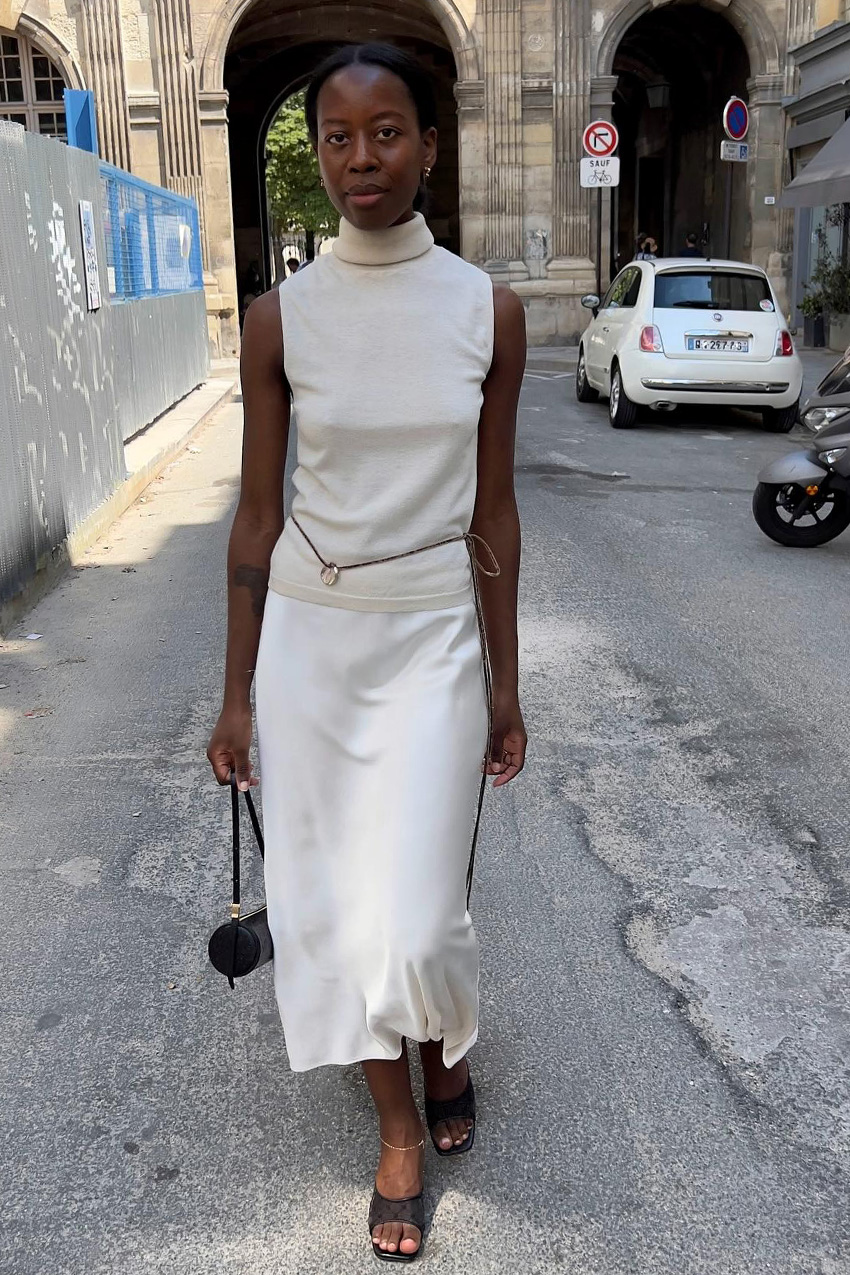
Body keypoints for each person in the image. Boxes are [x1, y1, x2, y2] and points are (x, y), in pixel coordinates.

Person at [206, 41, 527, 1263]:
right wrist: (235, 697)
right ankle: (398, 1121)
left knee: (417, 917)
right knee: (331, 907)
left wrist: (505, 681)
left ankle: (443, 1039)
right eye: (336, 137)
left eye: (384, 132)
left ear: (428, 146)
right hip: (308, 646)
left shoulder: (483, 312)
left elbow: (494, 515)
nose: (359, 159)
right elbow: (254, 513)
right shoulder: (280, 320)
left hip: (435, 633)